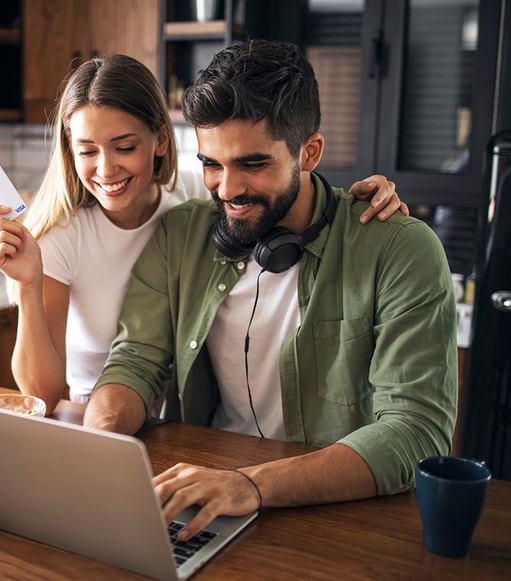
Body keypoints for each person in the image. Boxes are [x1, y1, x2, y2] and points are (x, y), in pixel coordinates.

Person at [83, 40, 457, 541]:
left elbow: (416, 433)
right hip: (207, 493)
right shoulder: (182, 235)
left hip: (336, 511)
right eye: (212, 164)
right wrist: (95, 444)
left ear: (310, 151)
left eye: (253, 164)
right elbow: (136, 360)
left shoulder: (398, 248)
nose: (228, 189)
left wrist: (248, 485)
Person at [0, 54, 408, 414]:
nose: (106, 170)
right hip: (101, 412)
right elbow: (39, 395)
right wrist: (28, 285)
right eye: (87, 151)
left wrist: (351, 204)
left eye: (125, 147)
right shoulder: (62, 236)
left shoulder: (191, 192)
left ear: (160, 141)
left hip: (179, 415)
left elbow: (266, 181)